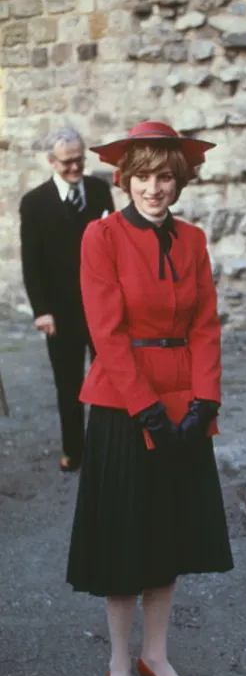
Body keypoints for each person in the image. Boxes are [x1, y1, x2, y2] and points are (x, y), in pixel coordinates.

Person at [65, 121, 233, 676]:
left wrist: (205, 401)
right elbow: (106, 332)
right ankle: (119, 664)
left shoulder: (192, 239)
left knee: (169, 535)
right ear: (124, 178)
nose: (153, 188)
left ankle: (155, 656)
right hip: (124, 403)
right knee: (126, 541)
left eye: (165, 176)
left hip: (184, 402)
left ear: (179, 181)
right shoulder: (102, 235)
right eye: (142, 176)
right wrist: (145, 408)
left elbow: (206, 324)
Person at [20, 126, 115, 472]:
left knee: (110, 377)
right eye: (66, 162)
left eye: (79, 160)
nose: (75, 167)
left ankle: (110, 446)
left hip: (101, 305)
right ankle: (74, 450)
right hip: (60, 311)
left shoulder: (99, 191)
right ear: (51, 161)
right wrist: (41, 311)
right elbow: (32, 261)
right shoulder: (34, 203)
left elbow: (113, 244)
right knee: (69, 383)